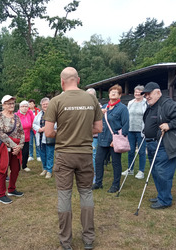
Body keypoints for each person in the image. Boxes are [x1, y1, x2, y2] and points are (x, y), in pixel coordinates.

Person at [44, 67, 103, 250]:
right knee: (86, 193)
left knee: (64, 195)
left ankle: (66, 241)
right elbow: (98, 128)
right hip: (85, 154)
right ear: (78, 80)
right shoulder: (91, 99)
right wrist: (83, 133)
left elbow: (48, 132)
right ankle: (88, 239)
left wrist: (63, 133)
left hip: (64, 155)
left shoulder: (56, 101)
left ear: (62, 82)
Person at [141, 82, 176, 209]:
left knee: (163, 173)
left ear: (158, 92)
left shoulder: (167, 104)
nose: (147, 96)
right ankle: (161, 195)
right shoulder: (152, 106)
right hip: (151, 143)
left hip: (164, 144)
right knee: (156, 172)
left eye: (149, 93)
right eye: (145, 94)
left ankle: (165, 200)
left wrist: (169, 125)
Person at [92, 84, 129, 193]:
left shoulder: (122, 108)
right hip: (102, 138)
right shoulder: (104, 107)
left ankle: (115, 185)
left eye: (116, 92)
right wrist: (100, 114)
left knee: (116, 163)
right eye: (111, 92)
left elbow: (126, 125)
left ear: (120, 95)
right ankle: (98, 183)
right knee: (98, 161)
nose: (113, 93)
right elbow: (95, 121)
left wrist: (117, 139)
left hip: (114, 140)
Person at [0, 95, 24, 204]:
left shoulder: (16, 117)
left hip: (16, 148)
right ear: (3, 105)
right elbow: (0, 133)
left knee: (16, 169)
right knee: (2, 170)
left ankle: (12, 189)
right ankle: (1, 195)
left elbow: (22, 132)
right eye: (9, 103)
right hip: (4, 147)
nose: (11, 105)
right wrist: (13, 146)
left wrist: (19, 146)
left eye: (12, 103)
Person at [122, 85, 147, 179]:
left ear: (143, 93)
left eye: (139, 92)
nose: (137, 94)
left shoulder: (145, 103)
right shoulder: (130, 102)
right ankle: (130, 169)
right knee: (131, 151)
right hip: (131, 130)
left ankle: (141, 171)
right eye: (135, 92)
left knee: (141, 151)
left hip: (141, 131)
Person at [33, 97, 56, 179]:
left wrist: (46, 128)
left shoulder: (53, 113)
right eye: (43, 104)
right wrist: (39, 129)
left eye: (47, 104)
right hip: (40, 137)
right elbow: (34, 124)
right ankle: (45, 168)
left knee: (49, 154)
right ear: (41, 105)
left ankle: (49, 171)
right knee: (42, 154)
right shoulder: (39, 114)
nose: (45, 105)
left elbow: (56, 125)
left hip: (49, 137)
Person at [16, 100, 34, 172]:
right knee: (17, 152)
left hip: (26, 137)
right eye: (23, 106)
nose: (24, 108)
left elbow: (33, 123)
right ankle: (16, 166)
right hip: (18, 138)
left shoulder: (30, 114)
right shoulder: (16, 115)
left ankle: (24, 165)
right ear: (20, 107)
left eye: (26, 106)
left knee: (25, 152)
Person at [86, 88, 100, 183]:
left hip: (94, 135)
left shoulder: (98, 106)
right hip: (84, 135)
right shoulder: (83, 105)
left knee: (93, 155)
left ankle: (94, 176)